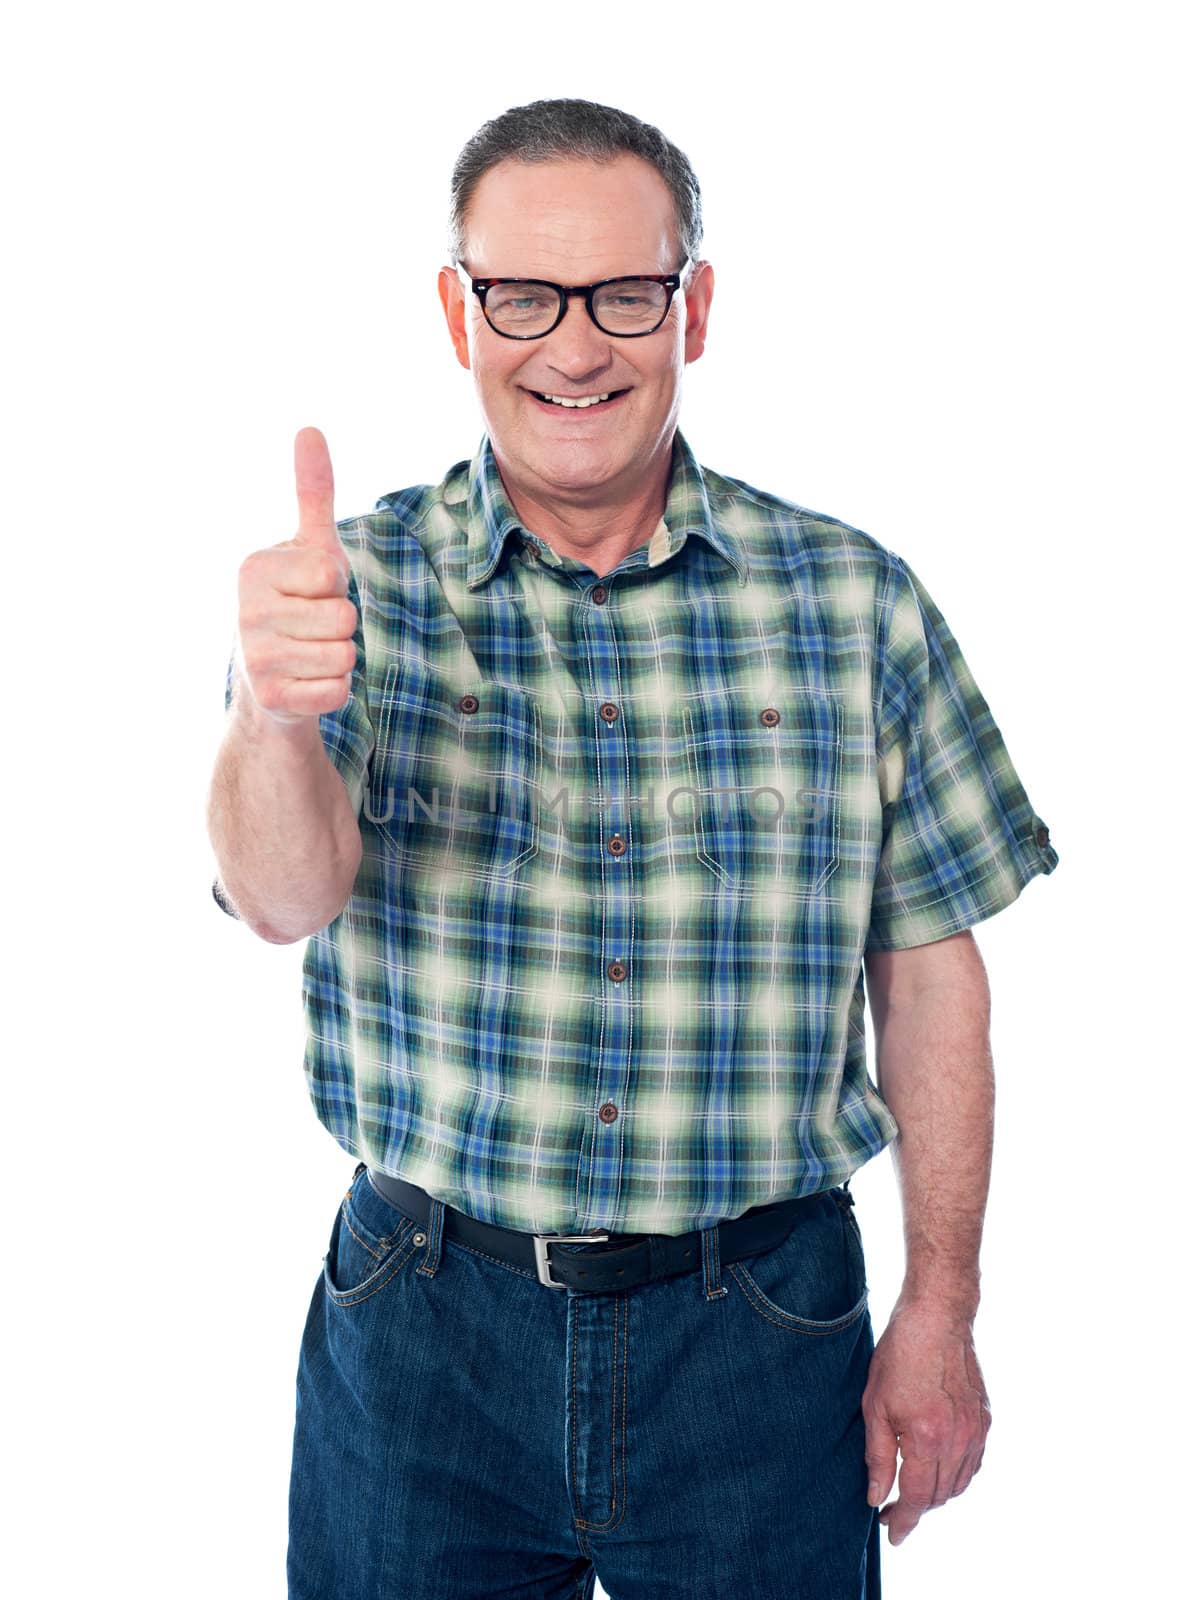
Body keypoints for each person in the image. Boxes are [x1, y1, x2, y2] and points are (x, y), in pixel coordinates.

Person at [206, 97, 1059, 1600]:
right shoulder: (352, 595)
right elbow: (282, 899)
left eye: (627, 293)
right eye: (524, 296)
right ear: (459, 314)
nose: (577, 346)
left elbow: (932, 979)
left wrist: (942, 1306)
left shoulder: (854, 604)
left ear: (696, 307)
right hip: (423, 1334)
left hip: (761, 1334)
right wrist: (275, 718)